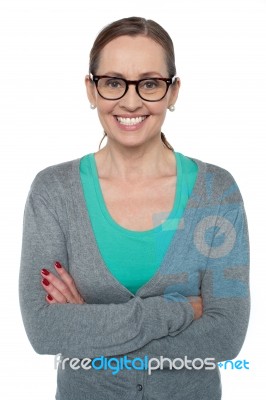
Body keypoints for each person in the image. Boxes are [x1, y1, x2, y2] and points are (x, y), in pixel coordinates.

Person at [19, 16, 250, 400]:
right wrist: (178, 311)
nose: (130, 101)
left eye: (149, 84)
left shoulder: (216, 192)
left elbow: (225, 338)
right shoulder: (54, 192)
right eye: (112, 82)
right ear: (90, 90)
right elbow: (44, 330)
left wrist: (90, 332)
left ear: (173, 92)